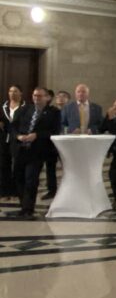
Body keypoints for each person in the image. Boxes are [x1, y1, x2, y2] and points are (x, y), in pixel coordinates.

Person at [12, 87, 60, 217]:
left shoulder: (53, 112)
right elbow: (13, 127)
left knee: (31, 179)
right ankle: (24, 205)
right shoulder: (24, 110)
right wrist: (18, 136)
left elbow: (55, 131)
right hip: (21, 149)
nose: (36, 98)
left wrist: (37, 135)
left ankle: (28, 208)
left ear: (47, 97)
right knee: (19, 177)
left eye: (39, 96)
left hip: (38, 151)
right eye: (34, 95)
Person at [0, 85, 24, 200]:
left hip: (18, 138)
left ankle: (16, 191)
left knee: (18, 165)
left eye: (15, 91)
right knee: (4, 165)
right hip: (4, 138)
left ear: (20, 93)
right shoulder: (3, 106)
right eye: (10, 91)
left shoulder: (25, 107)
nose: (12, 93)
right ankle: (5, 191)